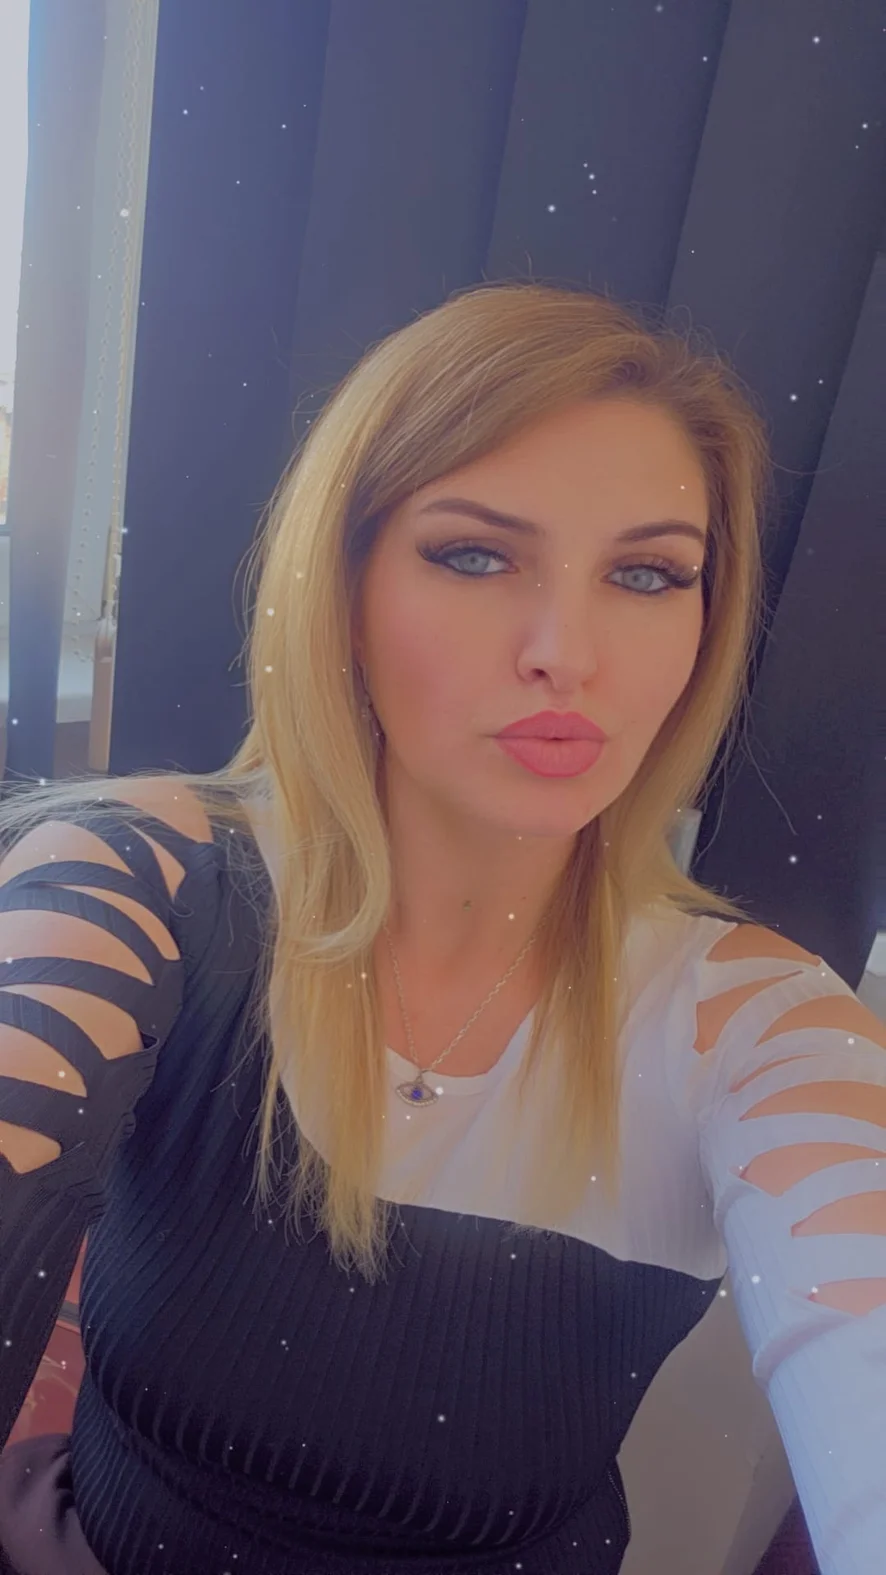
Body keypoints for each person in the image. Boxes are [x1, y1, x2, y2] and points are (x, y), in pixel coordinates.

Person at [0, 281, 882, 1575]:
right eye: (474, 554)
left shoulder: (759, 1028)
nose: (566, 651)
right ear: (340, 584)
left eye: (646, 573)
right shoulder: (142, 875)